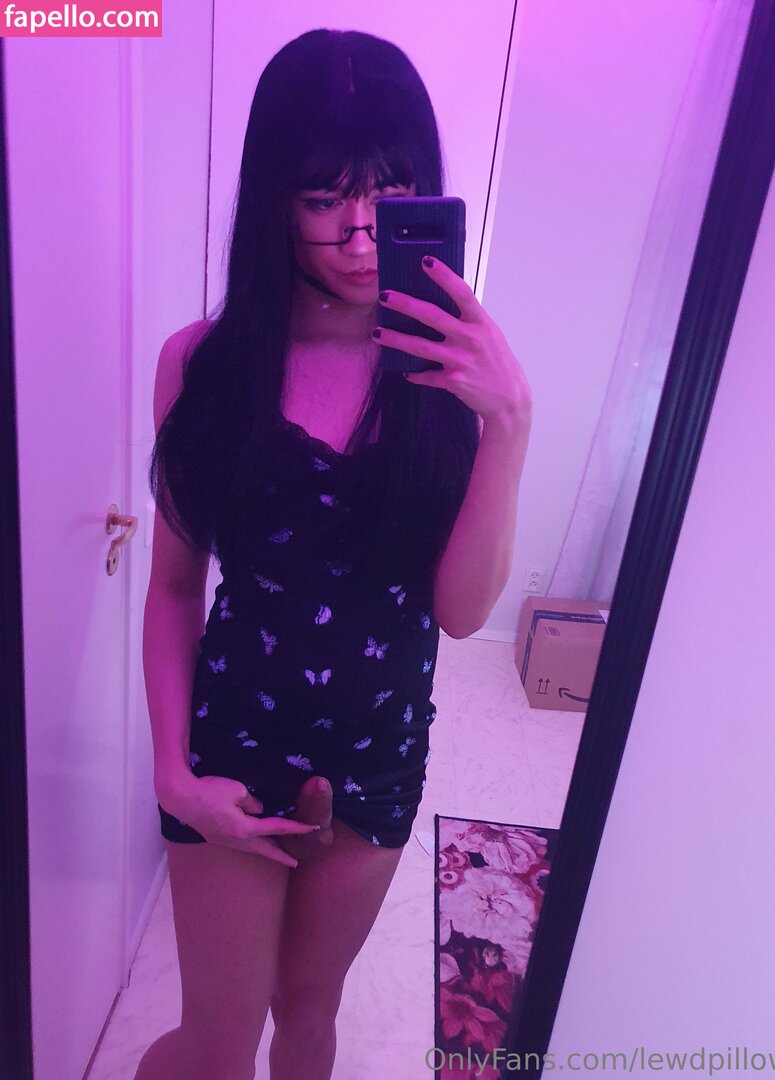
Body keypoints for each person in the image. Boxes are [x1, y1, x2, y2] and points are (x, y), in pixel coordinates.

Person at [135, 27, 531, 1080]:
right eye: (324, 198)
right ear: (275, 200)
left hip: (379, 753)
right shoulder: (201, 366)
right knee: (217, 1045)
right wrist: (173, 776)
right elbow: (172, 588)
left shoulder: (448, 373)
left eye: (389, 194)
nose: (360, 234)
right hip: (231, 751)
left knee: (309, 1017)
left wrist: (508, 426)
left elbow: (460, 614)